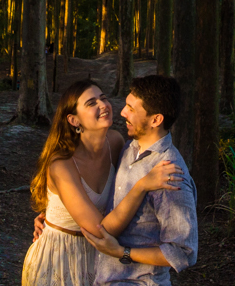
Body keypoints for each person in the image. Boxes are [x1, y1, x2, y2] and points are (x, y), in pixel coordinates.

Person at [22, 79, 183, 286]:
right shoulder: (61, 164)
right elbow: (100, 230)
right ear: (73, 120)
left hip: (101, 260)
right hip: (60, 257)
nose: (103, 105)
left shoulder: (116, 143)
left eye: (103, 98)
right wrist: (142, 186)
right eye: (91, 103)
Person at [83, 75, 198, 285]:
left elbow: (184, 252)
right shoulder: (129, 148)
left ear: (156, 120)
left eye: (131, 109)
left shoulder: (170, 172)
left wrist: (123, 252)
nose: (122, 112)